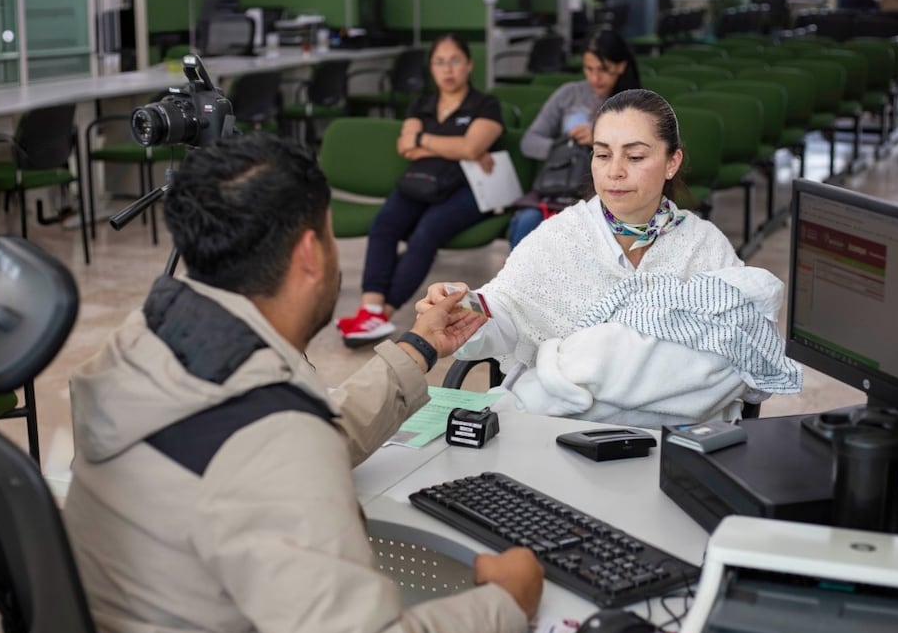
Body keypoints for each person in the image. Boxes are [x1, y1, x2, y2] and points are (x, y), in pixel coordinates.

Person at [62, 132, 544, 633]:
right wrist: (507, 601)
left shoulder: (143, 340)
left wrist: (419, 346)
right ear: (311, 253)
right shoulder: (275, 437)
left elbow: (280, 444)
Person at [417, 89, 802, 427]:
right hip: (563, 433)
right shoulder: (561, 236)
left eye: (635, 157)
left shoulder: (702, 244)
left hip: (678, 440)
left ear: (672, 162)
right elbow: (506, 311)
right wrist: (465, 313)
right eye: (602, 155)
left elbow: (745, 346)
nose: (614, 172)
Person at [336, 33, 504, 347]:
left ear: (468, 65)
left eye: (455, 60)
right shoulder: (422, 104)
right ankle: (369, 307)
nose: (448, 69)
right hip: (421, 182)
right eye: (440, 62)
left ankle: (381, 314)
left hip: (467, 190)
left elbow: (470, 146)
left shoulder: (486, 104)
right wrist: (458, 147)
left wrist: (425, 141)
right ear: (431, 68)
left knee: (426, 233)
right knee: (384, 224)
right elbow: (406, 146)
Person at [507, 30, 641, 249]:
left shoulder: (635, 104)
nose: (595, 78)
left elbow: (642, 157)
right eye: (589, 69)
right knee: (527, 221)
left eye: (604, 70)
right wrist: (564, 146)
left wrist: (599, 143)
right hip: (560, 185)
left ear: (621, 66)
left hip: (609, 194)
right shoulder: (568, 94)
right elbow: (529, 142)